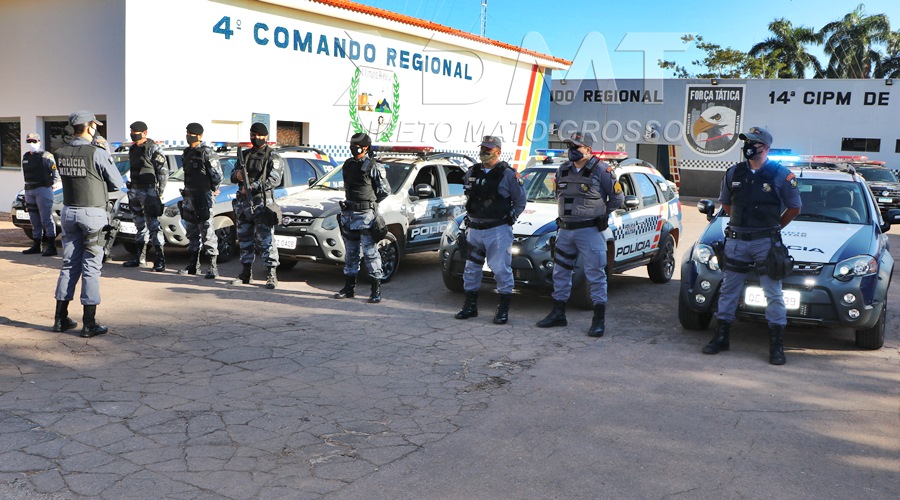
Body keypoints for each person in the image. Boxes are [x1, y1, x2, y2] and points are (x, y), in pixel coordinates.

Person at [702, 127, 801, 365]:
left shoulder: (781, 175)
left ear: (765, 147)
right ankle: (722, 337)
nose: (748, 146)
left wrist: (773, 227)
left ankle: (776, 345)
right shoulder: (733, 172)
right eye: (746, 141)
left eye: (754, 142)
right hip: (737, 241)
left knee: (773, 294)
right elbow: (726, 204)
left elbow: (795, 207)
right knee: (728, 290)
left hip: (765, 242)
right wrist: (743, 223)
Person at [536, 132, 624, 336]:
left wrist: (602, 214)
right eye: (570, 146)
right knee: (560, 272)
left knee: (595, 274)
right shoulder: (563, 169)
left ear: (588, 149)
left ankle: (598, 319)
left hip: (590, 231)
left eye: (576, 147)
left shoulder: (602, 170)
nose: (571, 151)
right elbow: (559, 194)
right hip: (565, 231)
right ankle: (558, 313)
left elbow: (617, 198)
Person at [52, 110, 125, 338]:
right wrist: (104, 150)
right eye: (96, 126)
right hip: (92, 214)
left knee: (68, 265)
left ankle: (60, 319)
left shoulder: (60, 151)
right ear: (90, 127)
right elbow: (117, 182)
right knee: (91, 267)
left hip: (69, 212)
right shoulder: (96, 152)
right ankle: (89, 323)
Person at [454, 135, 526, 324]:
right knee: (471, 268)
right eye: (483, 148)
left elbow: (520, 201)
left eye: (488, 149)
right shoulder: (472, 172)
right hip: (475, 228)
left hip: (497, 230)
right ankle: (470, 306)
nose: (484, 152)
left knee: (500, 269)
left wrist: (512, 217)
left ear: (498, 152)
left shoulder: (508, 174)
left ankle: (502, 309)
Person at [333, 132, 390, 303]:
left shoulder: (373, 166)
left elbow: (385, 190)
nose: (352, 147)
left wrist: (369, 203)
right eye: (351, 143)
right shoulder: (348, 164)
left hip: (366, 215)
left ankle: (375, 289)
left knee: (370, 252)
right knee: (351, 253)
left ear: (366, 147)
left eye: (356, 144)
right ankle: (349, 287)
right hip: (349, 214)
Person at [232, 122, 284, 289]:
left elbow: (274, 180)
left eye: (258, 135)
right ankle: (246, 273)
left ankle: (271, 275)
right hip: (244, 204)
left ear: (266, 137)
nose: (254, 138)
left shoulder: (273, 156)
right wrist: (239, 175)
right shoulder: (245, 155)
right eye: (252, 135)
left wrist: (251, 187)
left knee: (266, 240)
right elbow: (232, 175)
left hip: (262, 203)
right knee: (244, 239)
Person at [123, 121, 168, 271]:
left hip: (149, 192)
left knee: (153, 226)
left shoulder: (153, 148)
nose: (132, 133)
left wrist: (159, 193)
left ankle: (160, 259)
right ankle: (139, 257)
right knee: (139, 225)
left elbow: (163, 172)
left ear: (144, 133)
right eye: (131, 130)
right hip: (135, 190)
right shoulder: (133, 148)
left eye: (135, 131)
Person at [179, 123, 223, 278]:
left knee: (207, 231)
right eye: (187, 132)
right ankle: (193, 265)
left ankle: (212, 267)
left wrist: (213, 189)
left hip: (204, 197)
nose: (188, 135)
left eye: (191, 133)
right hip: (189, 196)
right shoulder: (186, 152)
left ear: (199, 136)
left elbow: (217, 175)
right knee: (191, 232)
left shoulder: (207, 152)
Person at [20, 132, 59, 256]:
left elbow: (55, 173)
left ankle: (52, 246)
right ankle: (37, 244)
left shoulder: (46, 156)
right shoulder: (26, 156)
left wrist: (51, 183)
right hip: (29, 190)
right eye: (29, 141)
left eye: (34, 141)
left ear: (39, 142)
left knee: (46, 218)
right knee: (34, 219)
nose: (32, 144)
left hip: (43, 190)